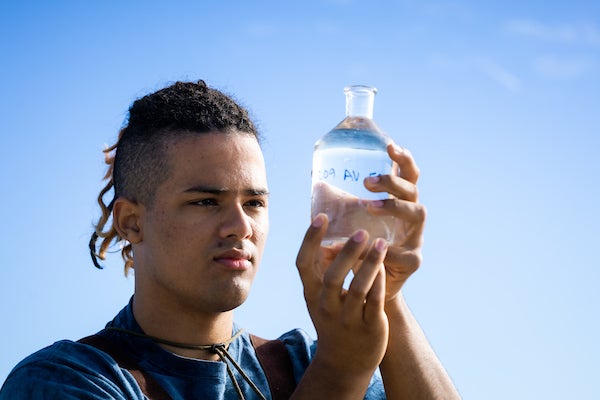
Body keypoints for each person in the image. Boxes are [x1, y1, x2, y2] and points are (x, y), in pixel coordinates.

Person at [0, 80, 459, 399]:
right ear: (131, 223)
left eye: (255, 203)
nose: (240, 226)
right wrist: (341, 374)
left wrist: (385, 293)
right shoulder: (67, 380)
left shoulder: (300, 361)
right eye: (205, 201)